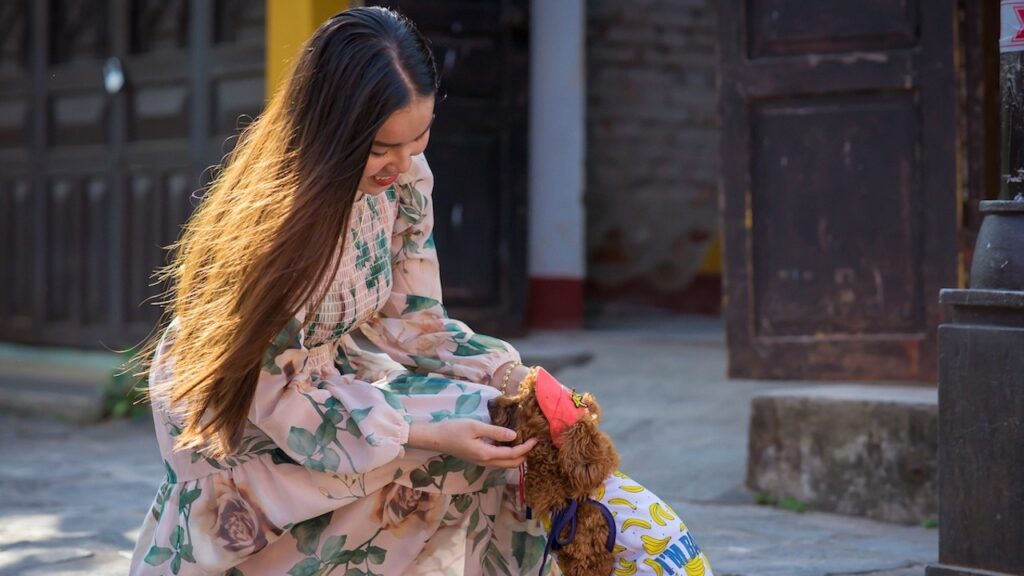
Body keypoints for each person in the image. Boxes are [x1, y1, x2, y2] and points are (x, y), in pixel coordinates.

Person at [128, 7, 549, 575]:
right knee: (444, 447)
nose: (400, 163)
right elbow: (279, 395)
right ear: (333, 132)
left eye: (419, 137)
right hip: (252, 402)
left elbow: (412, 323)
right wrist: (427, 435)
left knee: (508, 428)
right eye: (380, 148)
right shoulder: (279, 223)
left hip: (335, 384)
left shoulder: (405, 181)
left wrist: (513, 379)